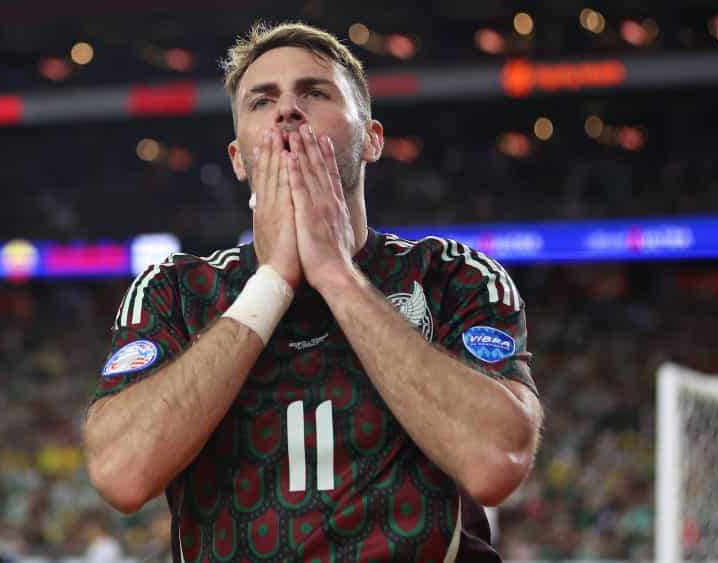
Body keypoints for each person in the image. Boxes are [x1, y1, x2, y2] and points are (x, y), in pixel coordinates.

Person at [83, 21, 543, 561]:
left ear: (371, 139)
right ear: (238, 158)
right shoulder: (177, 290)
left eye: (314, 93)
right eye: (262, 100)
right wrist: (272, 283)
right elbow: (121, 474)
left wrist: (337, 275)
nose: (287, 110)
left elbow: (496, 464)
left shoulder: (452, 275)